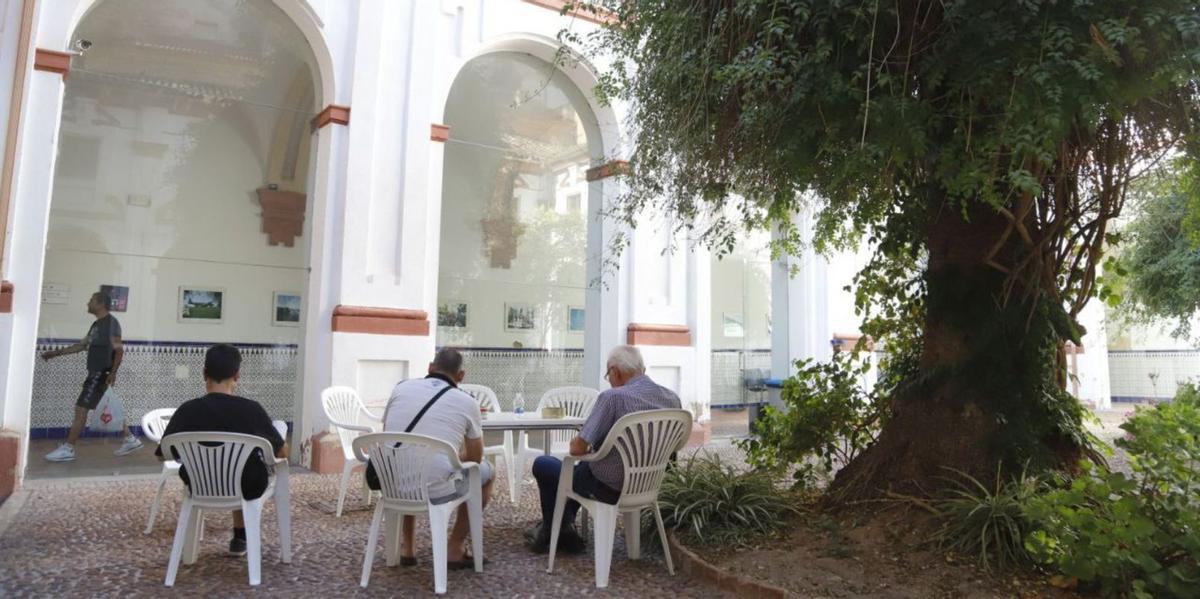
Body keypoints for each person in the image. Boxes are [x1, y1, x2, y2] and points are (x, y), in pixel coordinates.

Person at [525, 345, 681, 553]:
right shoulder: (672, 398)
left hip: (608, 487)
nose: (609, 379)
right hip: (649, 485)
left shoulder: (612, 398)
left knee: (544, 465)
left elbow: (578, 448)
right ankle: (562, 528)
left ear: (615, 371)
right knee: (579, 472)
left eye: (608, 374)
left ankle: (554, 530)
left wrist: (582, 438)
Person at [154, 344, 287, 557]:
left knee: (234, 466)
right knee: (243, 465)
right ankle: (240, 535)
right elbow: (282, 453)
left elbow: (163, 454)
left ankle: (235, 538)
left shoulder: (187, 410)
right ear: (237, 375)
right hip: (246, 485)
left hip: (199, 485)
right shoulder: (251, 410)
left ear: (204, 373)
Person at [370, 347, 494, 569]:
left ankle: (408, 548)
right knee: (486, 473)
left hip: (392, 483)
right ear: (460, 376)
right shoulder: (467, 402)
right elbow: (475, 457)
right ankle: (454, 548)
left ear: (430, 367)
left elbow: (389, 431)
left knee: (410, 460)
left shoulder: (401, 388)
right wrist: (449, 456)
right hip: (436, 489)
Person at [41, 291, 142, 461]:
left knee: (81, 410)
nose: (88, 303)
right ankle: (130, 438)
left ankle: (69, 448)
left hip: (99, 374)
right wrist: (55, 353)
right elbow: (81, 345)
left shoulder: (111, 324)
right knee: (108, 409)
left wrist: (113, 372)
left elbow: (119, 350)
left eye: (91, 301)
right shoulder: (96, 325)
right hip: (96, 373)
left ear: (100, 303)